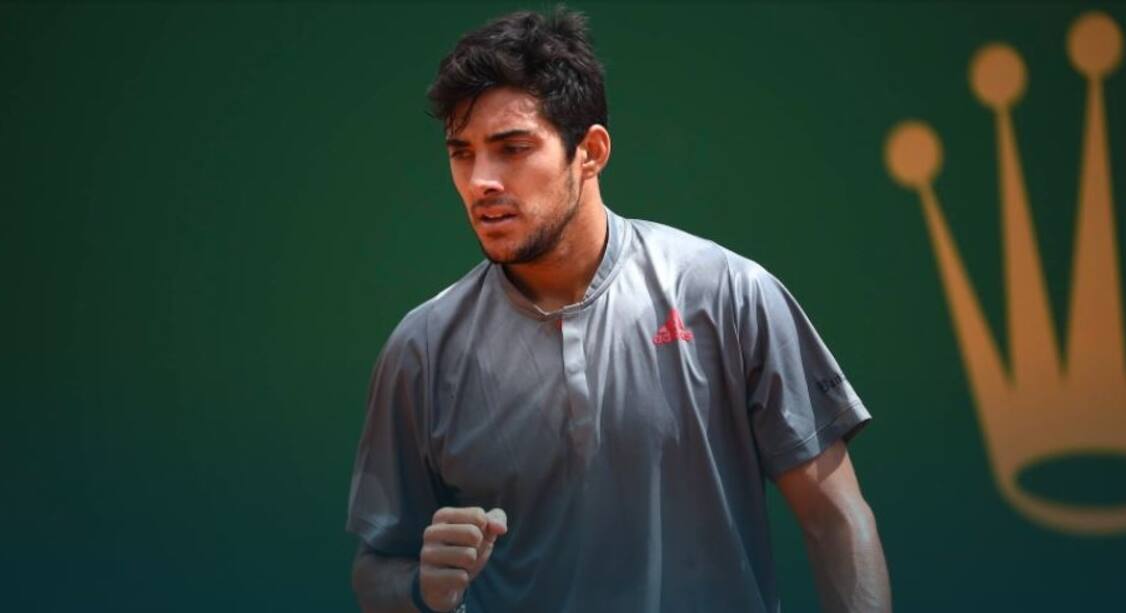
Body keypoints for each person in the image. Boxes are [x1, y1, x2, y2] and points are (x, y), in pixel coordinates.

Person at [346, 7, 891, 613]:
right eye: (462, 153)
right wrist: (421, 589)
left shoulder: (731, 294)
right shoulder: (421, 349)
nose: (480, 181)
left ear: (591, 151)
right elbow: (376, 569)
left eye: (512, 148)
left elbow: (836, 520)